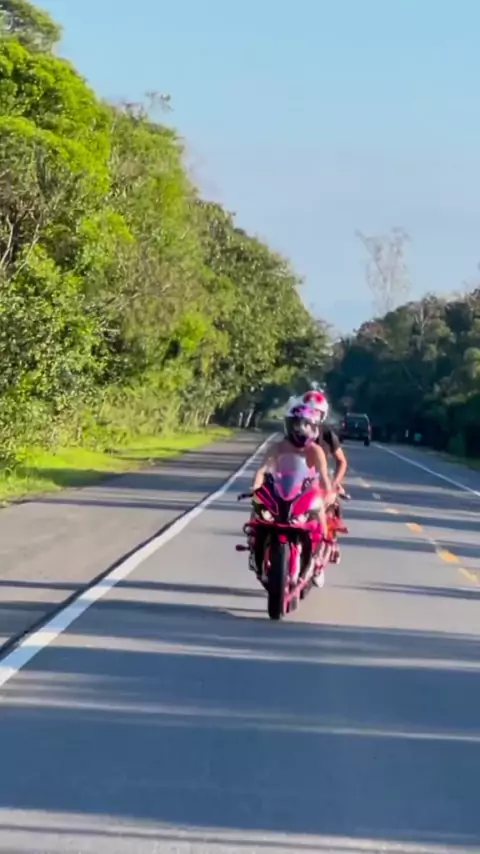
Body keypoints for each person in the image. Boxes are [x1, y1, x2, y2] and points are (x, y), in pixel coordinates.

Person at [249, 402, 335, 587]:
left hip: (305, 493)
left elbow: (324, 477)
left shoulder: (316, 450)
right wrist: (256, 487)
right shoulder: (278, 447)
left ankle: (318, 559)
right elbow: (263, 470)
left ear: (313, 427)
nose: (300, 429)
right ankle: (253, 542)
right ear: (289, 425)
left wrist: (328, 493)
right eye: (296, 424)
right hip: (281, 491)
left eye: (305, 425)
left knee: (321, 520)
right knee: (258, 505)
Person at [301, 390, 348, 563]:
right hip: (298, 480)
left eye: (317, 412)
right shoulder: (295, 432)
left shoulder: (327, 434)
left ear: (323, 414)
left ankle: (332, 542)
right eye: (309, 411)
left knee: (334, 503)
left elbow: (342, 461)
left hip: (322, 480)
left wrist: (335, 483)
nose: (312, 416)